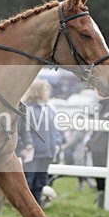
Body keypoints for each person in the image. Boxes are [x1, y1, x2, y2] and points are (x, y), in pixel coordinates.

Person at [17, 79, 63, 208]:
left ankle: (37, 207)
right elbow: (20, 130)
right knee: (29, 181)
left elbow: (55, 130)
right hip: (32, 153)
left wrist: (57, 143)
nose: (48, 92)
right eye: (45, 89)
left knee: (41, 183)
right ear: (37, 91)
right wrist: (22, 147)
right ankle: (25, 207)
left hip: (47, 153)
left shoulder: (49, 109)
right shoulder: (26, 109)